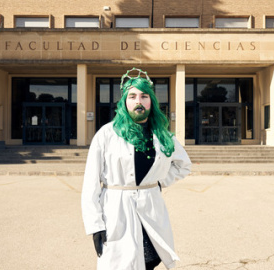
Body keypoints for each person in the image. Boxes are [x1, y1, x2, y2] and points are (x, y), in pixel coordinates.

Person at [81, 68, 192, 270]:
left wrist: (159, 181)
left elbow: (184, 165)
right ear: (124, 101)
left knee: (149, 262)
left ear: (151, 102)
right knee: (120, 263)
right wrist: (95, 225)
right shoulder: (106, 134)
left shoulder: (163, 135)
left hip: (150, 212)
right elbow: (90, 184)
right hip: (117, 212)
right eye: (132, 96)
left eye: (144, 96)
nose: (138, 101)